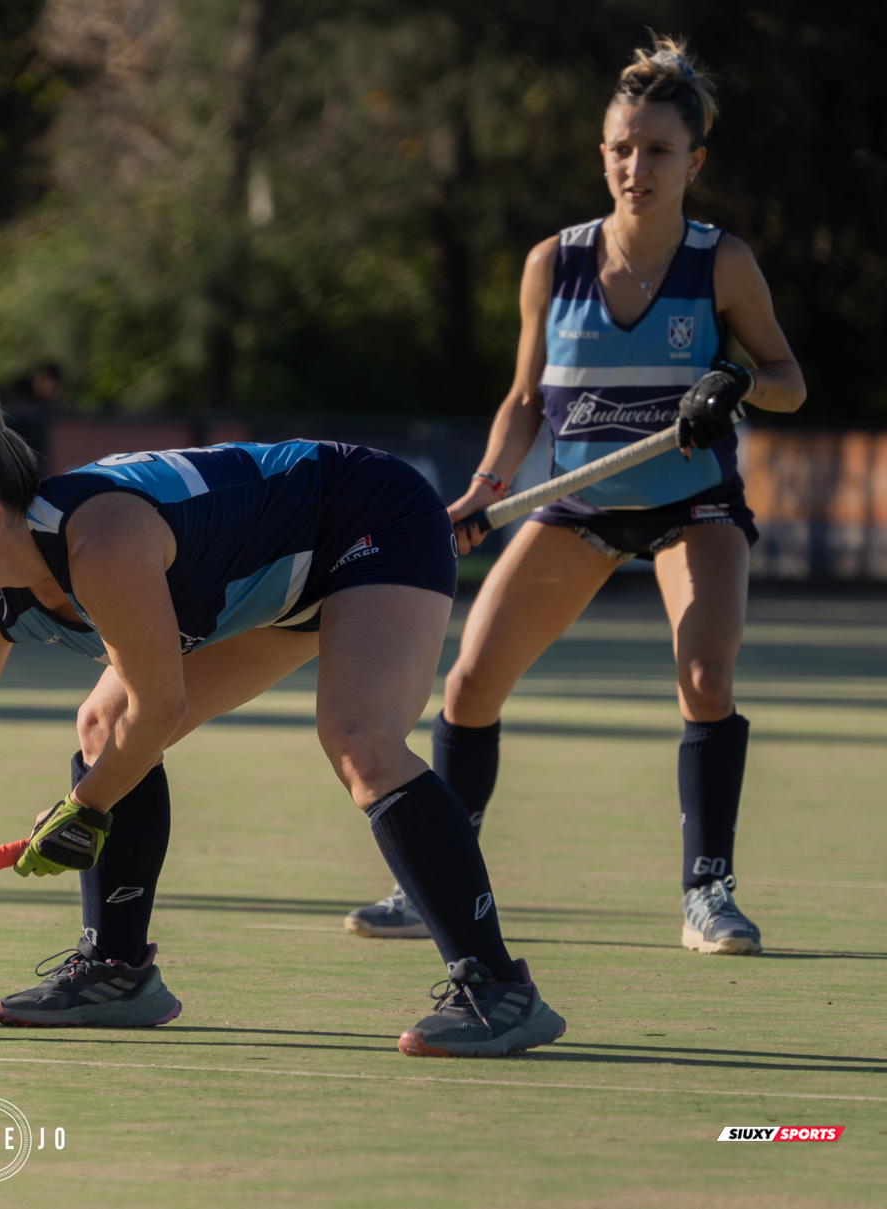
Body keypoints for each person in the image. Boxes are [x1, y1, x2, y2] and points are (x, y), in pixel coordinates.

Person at [0, 390, 568, 1057]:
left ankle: (498, 987)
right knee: (103, 721)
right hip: (266, 582)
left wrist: (85, 807)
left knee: (361, 738)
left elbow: (161, 706)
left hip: (366, 518)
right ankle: (118, 972)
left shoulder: (102, 542)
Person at [344, 38, 804, 956]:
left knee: (706, 676)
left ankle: (708, 893)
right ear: (602, 153)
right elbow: (523, 400)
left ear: (694, 162)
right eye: (622, 148)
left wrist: (739, 385)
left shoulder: (722, 265)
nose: (638, 167)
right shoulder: (554, 264)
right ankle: (434, 876)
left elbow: (790, 378)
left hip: (693, 509)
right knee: (469, 685)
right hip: (580, 506)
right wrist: (484, 488)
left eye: (660, 151)